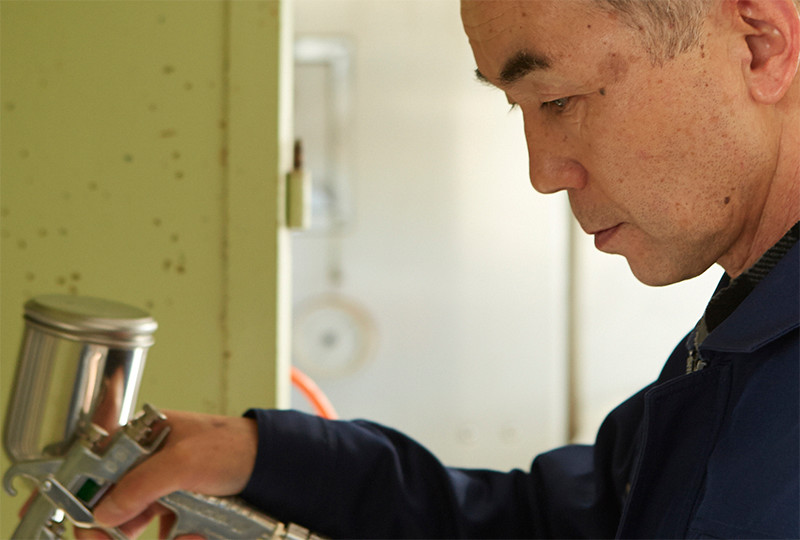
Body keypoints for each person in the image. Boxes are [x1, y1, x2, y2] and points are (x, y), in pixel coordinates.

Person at [84, 0, 799, 537]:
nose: (543, 172)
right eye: (520, 109)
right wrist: (265, 458)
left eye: (558, 100)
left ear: (760, 46)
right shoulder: (739, 337)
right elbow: (558, 524)